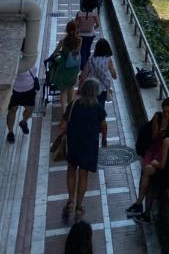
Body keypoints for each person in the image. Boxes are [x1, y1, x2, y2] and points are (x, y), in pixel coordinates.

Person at [60, 77, 107, 219]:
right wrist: (104, 139)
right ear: (96, 92)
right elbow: (104, 126)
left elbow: (62, 125)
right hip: (89, 145)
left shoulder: (74, 104)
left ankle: (70, 201)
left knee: (71, 170)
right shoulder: (98, 108)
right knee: (83, 175)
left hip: (74, 142)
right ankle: (79, 206)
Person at [48, 21, 82, 114]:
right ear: (76, 30)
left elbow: (54, 54)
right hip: (73, 69)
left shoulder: (62, 42)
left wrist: (50, 59)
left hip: (63, 69)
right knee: (71, 88)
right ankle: (70, 111)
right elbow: (76, 54)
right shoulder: (79, 41)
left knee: (63, 91)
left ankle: (64, 113)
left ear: (67, 30)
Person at [134, 97, 169, 166]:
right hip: (149, 143)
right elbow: (154, 136)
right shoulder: (158, 116)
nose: (166, 114)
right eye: (164, 112)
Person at [6, 66, 38, 142]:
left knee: (29, 109)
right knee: (12, 110)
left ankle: (23, 122)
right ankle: (10, 133)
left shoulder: (30, 58)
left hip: (29, 89)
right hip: (15, 90)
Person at [80, 38, 116, 106]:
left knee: (90, 104)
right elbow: (114, 75)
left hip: (91, 87)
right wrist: (114, 75)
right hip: (103, 87)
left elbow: (83, 75)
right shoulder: (108, 60)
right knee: (101, 104)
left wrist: (81, 85)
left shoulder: (91, 59)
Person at [75, 2, 100, 70]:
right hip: (90, 35)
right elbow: (98, 24)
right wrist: (92, 28)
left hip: (80, 34)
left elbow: (76, 24)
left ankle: (83, 65)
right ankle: (85, 64)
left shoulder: (79, 13)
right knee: (87, 49)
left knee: (82, 49)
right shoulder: (94, 14)